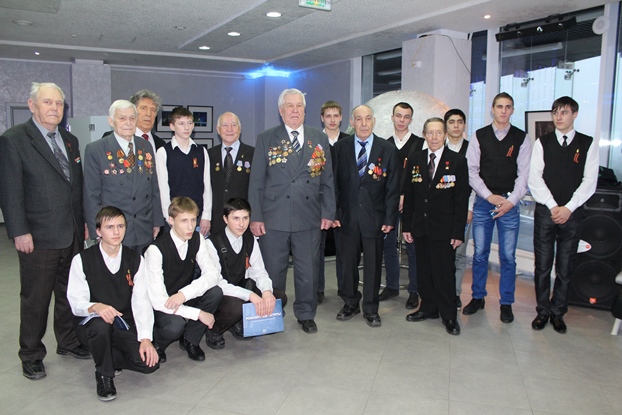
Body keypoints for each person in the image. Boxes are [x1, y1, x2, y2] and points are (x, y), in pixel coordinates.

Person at [0, 82, 90, 381]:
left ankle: (68, 341)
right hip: (38, 236)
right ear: (32, 105)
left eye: (59, 103)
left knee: (68, 293)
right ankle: (31, 354)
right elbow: (10, 191)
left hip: (72, 231)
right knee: (36, 299)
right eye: (48, 102)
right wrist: (19, 231)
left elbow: (76, 186)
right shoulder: (14, 139)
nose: (54, 108)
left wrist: (84, 222)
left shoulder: (70, 140)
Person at [248, 88, 336, 334]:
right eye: (290, 106)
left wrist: (328, 212)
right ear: (281, 111)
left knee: (308, 270)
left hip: (308, 215)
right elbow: (256, 182)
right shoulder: (267, 138)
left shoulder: (318, 138)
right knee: (273, 271)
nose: (295, 110)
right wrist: (256, 217)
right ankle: (273, 313)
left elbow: (328, 179)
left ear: (305, 111)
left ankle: (306, 313)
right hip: (273, 216)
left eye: (299, 106)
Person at [67, 207, 159, 401]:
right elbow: (75, 301)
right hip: (92, 324)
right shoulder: (82, 259)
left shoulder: (135, 259)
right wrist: (95, 307)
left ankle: (107, 354)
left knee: (149, 365)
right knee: (100, 325)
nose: (116, 232)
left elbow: (141, 301)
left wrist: (145, 339)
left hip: (122, 324)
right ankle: (104, 375)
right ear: (98, 231)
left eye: (120, 226)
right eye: (109, 227)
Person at [528, 96, 598, 333]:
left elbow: (590, 181)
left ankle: (558, 313)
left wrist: (569, 207)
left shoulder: (587, 143)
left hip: (572, 214)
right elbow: (535, 179)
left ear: (574, 115)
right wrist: (552, 205)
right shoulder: (542, 142)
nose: (559, 117)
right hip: (546, 213)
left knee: (565, 267)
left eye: (564, 112)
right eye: (556, 112)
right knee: (542, 266)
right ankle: (542, 311)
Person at [463, 92, 531, 323]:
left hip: (509, 203)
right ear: (492, 109)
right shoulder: (479, 136)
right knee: (480, 254)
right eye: (499, 106)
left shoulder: (521, 138)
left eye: (508, 107)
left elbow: (524, 175)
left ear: (512, 110)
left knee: (508, 257)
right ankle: (477, 297)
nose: (503, 111)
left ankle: (506, 303)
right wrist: (489, 196)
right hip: (484, 202)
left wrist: (510, 201)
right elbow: (471, 171)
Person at [332, 105, 399, 327]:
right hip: (346, 217)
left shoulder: (387, 149)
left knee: (373, 265)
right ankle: (350, 302)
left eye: (368, 118)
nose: (363, 123)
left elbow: (392, 188)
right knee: (347, 264)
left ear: (374, 121)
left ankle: (371, 308)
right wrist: (334, 213)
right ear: (351, 122)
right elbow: (333, 184)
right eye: (359, 119)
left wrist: (389, 219)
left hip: (375, 218)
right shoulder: (340, 148)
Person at [402, 118, 470, 335]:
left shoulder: (457, 161)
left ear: (445, 135)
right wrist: (406, 227)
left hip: (444, 229)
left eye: (438, 132)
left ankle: (449, 315)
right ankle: (428, 307)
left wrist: (458, 232)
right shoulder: (415, 159)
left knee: (444, 273)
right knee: (424, 271)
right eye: (430, 133)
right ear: (424, 134)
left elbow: (461, 200)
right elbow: (409, 196)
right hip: (420, 226)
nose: (434, 137)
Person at [144, 197, 224, 362]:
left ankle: (190, 340)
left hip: (182, 295)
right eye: (184, 221)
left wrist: (184, 294)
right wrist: (198, 313)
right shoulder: (155, 250)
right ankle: (157, 343)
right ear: (171, 220)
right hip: (162, 304)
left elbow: (213, 274)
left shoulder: (197, 238)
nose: (190, 226)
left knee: (215, 292)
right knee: (175, 326)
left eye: (193, 220)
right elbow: (158, 301)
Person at [84, 100, 164, 254]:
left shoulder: (145, 146)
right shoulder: (96, 149)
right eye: (122, 118)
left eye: (132, 118)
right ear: (111, 121)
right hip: (113, 230)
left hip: (144, 227)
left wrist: (157, 221)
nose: (128, 123)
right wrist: (97, 231)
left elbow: (153, 187)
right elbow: (91, 195)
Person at [207, 198, 287, 346]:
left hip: (241, 286)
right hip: (219, 293)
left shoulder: (250, 239)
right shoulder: (211, 243)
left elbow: (259, 271)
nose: (241, 224)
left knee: (279, 297)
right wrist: (250, 295)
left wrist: (266, 292)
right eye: (236, 218)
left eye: (245, 218)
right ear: (225, 219)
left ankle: (240, 322)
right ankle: (214, 330)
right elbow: (217, 283)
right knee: (236, 307)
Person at [378, 102, 424, 309]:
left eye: (406, 117)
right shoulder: (385, 144)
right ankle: (392, 285)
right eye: (398, 116)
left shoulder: (420, 144)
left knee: (412, 247)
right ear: (392, 117)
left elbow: (421, 175)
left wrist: (406, 196)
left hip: (411, 204)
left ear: (411, 120)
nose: (402, 120)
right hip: (389, 203)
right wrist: (392, 198)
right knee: (388, 245)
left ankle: (414, 290)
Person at [156, 106, 212, 237]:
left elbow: (207, 187)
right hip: (175, 217)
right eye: (181, 123)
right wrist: (169, 218)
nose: (186, 127)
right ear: (172, 126)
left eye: (189, 123)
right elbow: (163, 189)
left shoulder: (201, 151)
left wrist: (206, 215)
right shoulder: (163, 152)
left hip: (198, 218)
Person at [318, 100, 349, 304]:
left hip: (344, 205)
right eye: (328, 116)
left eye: (335, 116)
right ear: (322, 118)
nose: (332, 120)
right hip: (319, 205)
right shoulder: (315, 141)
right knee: (317, 251)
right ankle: (318, 290)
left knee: (344, 251)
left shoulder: (349, 142)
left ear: (341, 118)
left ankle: (345, 289)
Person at [444, 108, 473, 309]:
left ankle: (455, 293)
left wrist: (469, 208)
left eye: (460, 122)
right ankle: (439, 291)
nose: (456, 126)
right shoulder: (438, 147)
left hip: (463, 208)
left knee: (459, 253)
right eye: (452, 122)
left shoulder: (472, 149)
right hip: (440, 210)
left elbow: (475, 181)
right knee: (440, 253)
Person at [208, 112, 254, 236]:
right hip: (217, 220)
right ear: (218, 130)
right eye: (225, 125)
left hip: (243, 221)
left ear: (240, 129)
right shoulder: (209, 154)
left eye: (233, 125)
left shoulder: (253, 154)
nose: (229, 129)